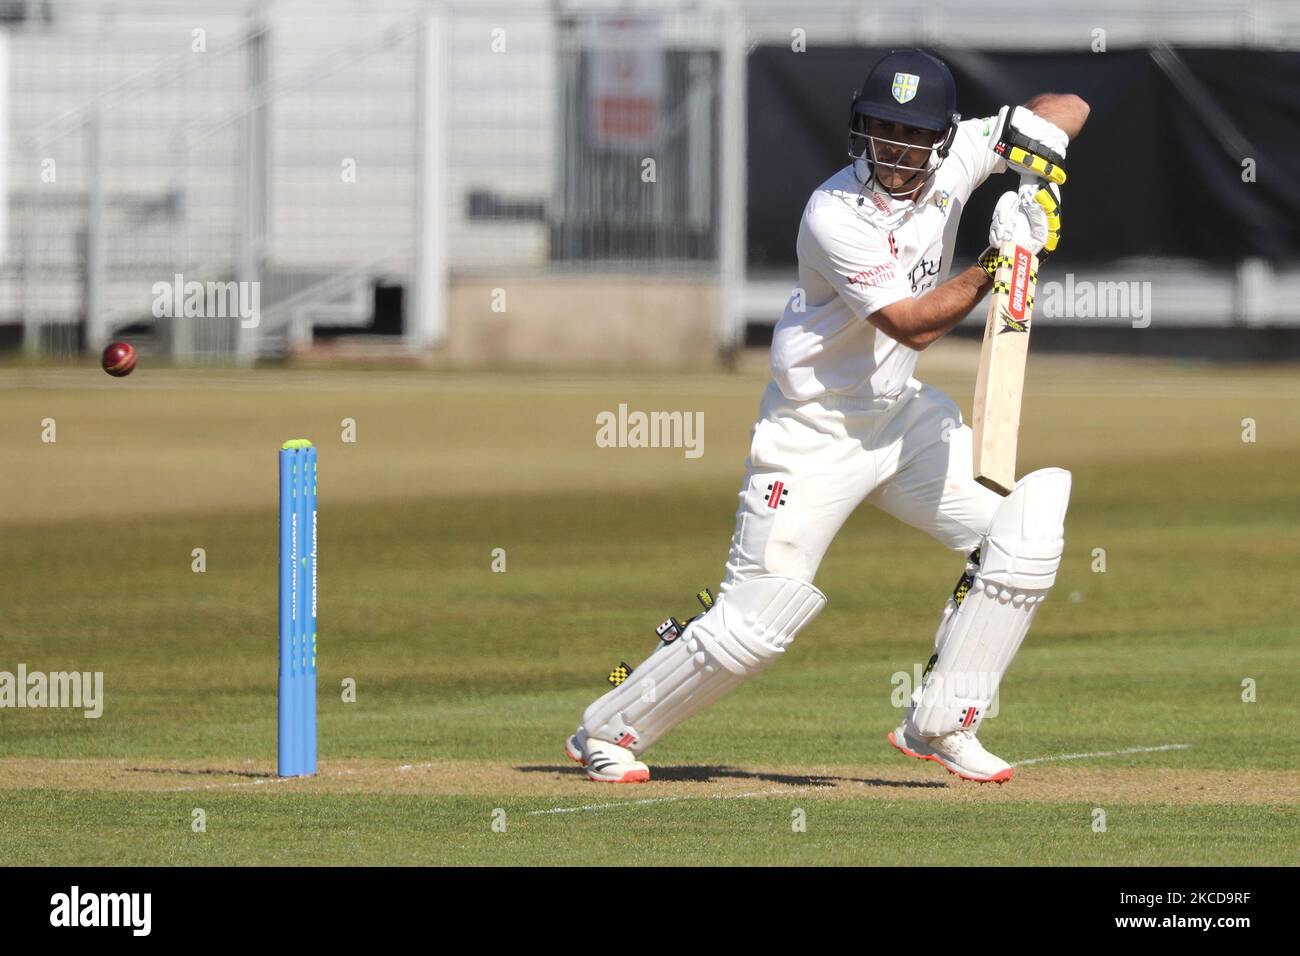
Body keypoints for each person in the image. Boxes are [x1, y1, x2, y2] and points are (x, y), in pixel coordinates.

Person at [565, 49, 1090, 784]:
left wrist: (1042, 167)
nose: (897, 151)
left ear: (942, 137)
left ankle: (942, 721)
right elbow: (910, 324)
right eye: (882, 131)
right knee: (760, 617)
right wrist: (998, 261)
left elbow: (1068, 103)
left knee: (1025, 533)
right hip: (811, 433)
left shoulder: (963, 155)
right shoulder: (834, 213)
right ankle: (607, 729)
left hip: (899, 422)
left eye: (912, 136)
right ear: (861, 131)